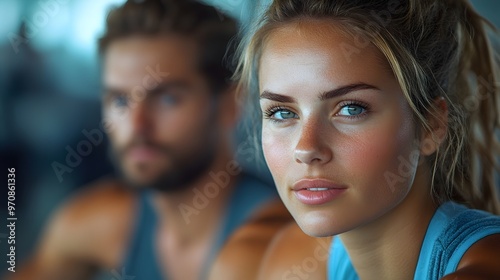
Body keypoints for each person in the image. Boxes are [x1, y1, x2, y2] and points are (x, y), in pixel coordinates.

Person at [9, 0, 292, 279]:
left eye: (168, 98)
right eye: (120, 99)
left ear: (231, 104)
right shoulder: (101, 223)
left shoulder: (276, 243)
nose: (137, 125)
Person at [235, 0, 500, 279]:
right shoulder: (296, 262)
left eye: (351, 109)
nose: (306, 148)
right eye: (282, 112)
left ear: (431, 126)